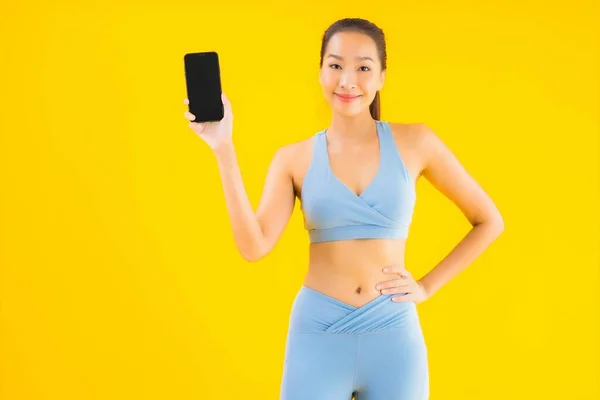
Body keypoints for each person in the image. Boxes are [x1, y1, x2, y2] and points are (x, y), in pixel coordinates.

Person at [183, 17, 504, 400]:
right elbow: (254, 247)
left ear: (382, 76)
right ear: (320, 72)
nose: (347, 80)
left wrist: (426, 286)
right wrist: (223, 148)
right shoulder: (293, 158)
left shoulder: (417, 141)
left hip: (393, 335)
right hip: (317, 333)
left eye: (363, 68)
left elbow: (489, 221)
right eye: (335, 65)